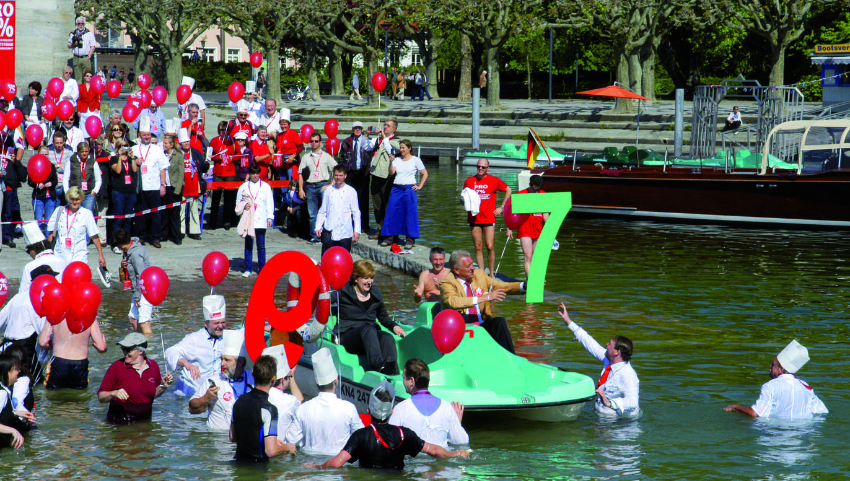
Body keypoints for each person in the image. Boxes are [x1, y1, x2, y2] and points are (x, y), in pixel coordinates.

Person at [305, 381, 468, 470]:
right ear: (391, 412)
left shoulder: (361, 436)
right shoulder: (404, 434)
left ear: (368, 411)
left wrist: (317, 466)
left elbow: (336, 463)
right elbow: (434, 450)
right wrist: (456, 454)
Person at [558, 303, 640, 417]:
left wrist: (609, 402)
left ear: (617, 352)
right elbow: (590, 343)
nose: (606, 344)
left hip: (619, 425)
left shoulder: (628, 374)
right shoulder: (609, 360)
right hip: (601, 418)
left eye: (610, 344)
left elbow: (633, 402)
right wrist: (568, 321)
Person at [440, 249, 525, 354]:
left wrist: (524, 286)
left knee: (499, 322)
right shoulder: (447, 282)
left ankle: (510, 358)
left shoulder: (479, 274)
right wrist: (485, 297)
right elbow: (453, 301)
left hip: (482, 325)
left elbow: (500, 286)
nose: (472, 268)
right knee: (463, 317)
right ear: (456, 270)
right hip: (461, 329)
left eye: (472, 264)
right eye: (468, 266)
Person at [285, 348, 364, 454]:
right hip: (339, 465)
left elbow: (291, 439)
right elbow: (362, 439)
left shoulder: (303, 409)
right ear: (336, 381)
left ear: (316, 384)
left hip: (309, 465)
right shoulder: (349, 408)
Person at [724, 340, 828, 418]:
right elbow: (822, 412)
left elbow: (754, 413)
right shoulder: (806, 387)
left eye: (773, 364)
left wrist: (735, 407)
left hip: (776, 435)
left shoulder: (770, 386)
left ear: (781, 368)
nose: (770, 366)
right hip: (802, 435)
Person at [338, 260, 405, 374]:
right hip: (349, 335)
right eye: (365, 278)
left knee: (387, 337)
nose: (369, 281)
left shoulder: (376, 292)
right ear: (356, 278)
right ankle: (378, 365)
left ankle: (392, 371)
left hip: (370, 335)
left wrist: (394, 326)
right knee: (368, 329)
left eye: (371, 278)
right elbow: (324, 300)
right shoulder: (344, 291)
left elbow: (383, 316)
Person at [389, 359, 469, 448]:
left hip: (414, 461)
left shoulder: (400, 409)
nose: (403, 382)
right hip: (442, 460)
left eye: (404, 378)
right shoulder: (447, 408)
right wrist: (457, 422)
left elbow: (390, 442)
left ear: (412, 381)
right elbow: (461, 442)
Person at [230, 354, 296, 461]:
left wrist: (269, 440)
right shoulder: (270, 410)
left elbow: (233, 437)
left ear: (253, 374)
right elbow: (271, 451)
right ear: (273, 379)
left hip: (237, 464)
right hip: (258, 468)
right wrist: (287, 447)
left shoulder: (238, 401)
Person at [97, 333, 173, 423]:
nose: (125, 352)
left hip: (144, 421)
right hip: (120, 422)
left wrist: (163, 386)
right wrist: (113, 393)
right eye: (123, 349)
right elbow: (101, 397)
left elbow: (152, 394)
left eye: (128, 350)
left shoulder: (153, 366)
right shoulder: (117, 367)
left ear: (141, 351)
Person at [189, 329, 254, 430]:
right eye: (222, 359)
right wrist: (206, 398)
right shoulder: (213, 381)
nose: (222, 364)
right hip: (218, 439)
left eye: (227, 360)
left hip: (245, 439)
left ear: (240, 362)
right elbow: (192, 409)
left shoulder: (253, 378)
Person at [166, 295, 226, 397]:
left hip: (213, 393)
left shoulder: (227, 338)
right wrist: (187, 364)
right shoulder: (194, 339)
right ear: (206, 324)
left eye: (223, 322)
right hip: (189, 393)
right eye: (216, 323)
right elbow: (170, 352)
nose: (220, 326)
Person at [464, 158, 511, 277]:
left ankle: (491, 273)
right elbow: (463, 196)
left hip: (489, 218)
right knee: (478, 246)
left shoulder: (493, 180)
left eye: (483, 167)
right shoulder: (469, 181)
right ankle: (481, 272)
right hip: (474, 218)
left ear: (487, 169)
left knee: (490, 246)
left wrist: (502, 207)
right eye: (478, 166)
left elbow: (508, 190)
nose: (480, 169)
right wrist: (463, 201)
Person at [39, 309, 107, 390]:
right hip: (80, 363)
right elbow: (101, 347)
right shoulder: (89, 317)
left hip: (59, 362)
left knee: (55, 396)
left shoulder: (55, 314)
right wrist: (104, 342)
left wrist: (50, 346)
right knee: (79, 399)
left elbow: (42, 342)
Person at [380, 139, 427, 247]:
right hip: (396, 189)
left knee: (410, 214)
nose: (401, 150)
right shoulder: (397, 160)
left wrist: (420, 186)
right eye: (400, 148)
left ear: (409, 148)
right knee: (392, 213)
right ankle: (389, 238)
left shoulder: (416, 160)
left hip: (409, 189)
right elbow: (392, 172)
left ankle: (410, 240)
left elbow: (425, 173)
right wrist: (391, 162)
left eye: (403, 148)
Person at [131, 116, 169, 248]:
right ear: (140, 135)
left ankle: (155, 237)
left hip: (154, 186)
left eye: (148, 135)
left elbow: (163, 168)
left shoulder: (157, 149)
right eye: (144, 135)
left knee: (155, 213)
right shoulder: (135, 149)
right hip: (140, 187)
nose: (147, 137)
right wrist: (134, 161)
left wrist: (162, 185)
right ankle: (141, 236)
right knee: (140, 214)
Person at [46, 186, 106, 268]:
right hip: (60, 255)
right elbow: (51, 234)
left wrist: (101, 255)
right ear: (68, 198)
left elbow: (94, 236)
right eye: (72, 199)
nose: (75, 202)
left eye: (77, 199)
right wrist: (48, 254)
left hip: (79, 256)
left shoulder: (86, 214)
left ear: (81, 200)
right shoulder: (59, 211)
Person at [110, 228, 154, 335]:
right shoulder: (128, 251)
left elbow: (141, 276)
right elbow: (125, 278)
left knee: (144, 322)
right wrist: (123, 266)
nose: (120, 249)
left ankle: (149, 348)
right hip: (138, 291)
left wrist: (138, 297)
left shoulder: (135, 254)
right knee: (133, 319)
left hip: (144, 290)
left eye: (120, 247)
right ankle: (139, 342)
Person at [236, 164, 274, 277]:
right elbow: (237, 202)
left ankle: (262, 268)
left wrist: (270, 217)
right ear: (250, 174)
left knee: (261, 245)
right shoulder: (243, 186)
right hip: (249, 219)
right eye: (253, 173)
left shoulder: (266, 187)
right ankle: (248, 269)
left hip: (261, 218)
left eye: (257, 173)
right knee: (248, 245)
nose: (255, 176)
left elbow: (270, 202)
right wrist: (244, 206)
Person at [299, 132, 337, 244]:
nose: (314, 143)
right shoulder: (306, 157)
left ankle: (328, 234)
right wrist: (301, 189)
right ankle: (315, 236)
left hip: (323, 185)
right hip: (310, 186)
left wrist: (331, 185)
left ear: (320, 142)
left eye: (316, 141)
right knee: (312, 214)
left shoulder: (326, 156)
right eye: (312, 141)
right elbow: (300, 173)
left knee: (327, 211)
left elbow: (337, 170)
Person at [507, 174, 548, 278]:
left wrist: (549, 229)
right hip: (525, 228)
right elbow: (511, 214)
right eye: (535, 189)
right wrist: (509, 229)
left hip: (538, 228)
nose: (536, 192)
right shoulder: (521, 195)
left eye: (539, 190)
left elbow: (545, 214)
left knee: (536, 257)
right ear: (530, 185)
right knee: (528, 257)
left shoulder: (543, 194)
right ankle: (531, 281)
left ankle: (536, 279)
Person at [315, 164, 360, 255]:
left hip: (345, 232)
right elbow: (322, 210)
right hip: (329, 230)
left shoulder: (351, 191)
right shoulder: (328, 190)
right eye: (336, 175)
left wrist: (357, 230)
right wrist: (318, 227)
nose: (338, 178)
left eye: (340, 175)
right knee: (326, 258)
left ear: (345, 176)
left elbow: (356, 212)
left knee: (344, 260)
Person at [367, 119, 400, 242]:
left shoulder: (396, 140)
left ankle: (390, 232)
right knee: (377, 205)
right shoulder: (379, 139)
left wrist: (384, 137)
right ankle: (380, 229)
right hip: (375, 175)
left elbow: (391, 148)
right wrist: (368, 134)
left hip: (387, 177)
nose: (385, 127)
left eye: (388, 126)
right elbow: (367, 146)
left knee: (387, 205)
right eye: (384, 125)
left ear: (394, 129)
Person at [262, 345, 303, 437]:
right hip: (279, 448)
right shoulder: (290, 401)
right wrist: (292, 377)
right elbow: (302, 407)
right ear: (283, 379)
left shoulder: (252, 394)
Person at [339, 121, 371, 234]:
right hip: (350, 172)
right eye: (355, 128)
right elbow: (342, 156)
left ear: (362, 130)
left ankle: (364, 225)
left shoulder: (367, 140)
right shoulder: (347, 142)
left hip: (362, 172)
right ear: (352, 129)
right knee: (349, 199)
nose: (357, 130)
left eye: (359, 128)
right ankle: (349, 223)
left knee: (363, 199)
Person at [0, 354, 35, 449]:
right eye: (16, 369)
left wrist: (18, 413)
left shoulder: (4, 389)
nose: (19, 371)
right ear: (7, 371)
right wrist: (13, 431)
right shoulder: (2, 393)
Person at [176, 128, 205, 241]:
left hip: (194, 183)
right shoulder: (178, 154)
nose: (186, 144)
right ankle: (182, 230)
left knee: (194, 209)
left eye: (188, 141)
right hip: (183, 184)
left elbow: (201, 166)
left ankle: (194, 231)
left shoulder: (195, 152)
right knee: (182, 209)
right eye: (184, 142)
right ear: (180, 143)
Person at [108, 142, 139, 243]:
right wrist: (120, 156)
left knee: (128, 218)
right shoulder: (114, 158)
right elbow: (118, 170)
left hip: (130, 191)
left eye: (126, 145)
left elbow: (134, 170)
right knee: (118, 218)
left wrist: (132, 156)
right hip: (119, 191)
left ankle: (125, 240)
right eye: (122, 146)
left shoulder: (130, 159)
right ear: (118, 148)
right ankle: (116, 241)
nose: (124, 148)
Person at [62, 141, 102, 212]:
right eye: (82, 151)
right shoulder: (71, 162)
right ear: (78, 152)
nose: (84, 153)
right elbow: (65, 179)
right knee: (74, 214)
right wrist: (67, 191)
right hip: (74, 195)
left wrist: (95, 191)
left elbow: (98, 179)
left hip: (88, 195)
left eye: (86, 151)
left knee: (86, 216)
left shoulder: (93, 162)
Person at [28, 155, 58, 236]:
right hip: (39, 197)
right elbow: (30, 181)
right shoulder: (34, 165)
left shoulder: (51, 166)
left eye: (46, 154)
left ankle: (48, 240)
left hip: (50, 197)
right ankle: (39, 240)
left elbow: (55, 180)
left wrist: (51, 183)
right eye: (43, 154)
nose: (45, 156)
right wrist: (37, 185)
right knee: (38, 220)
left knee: (49, 221)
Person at [273, 108, 303, 183]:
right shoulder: (279, 135)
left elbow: (301, 146)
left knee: (291, 185)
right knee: (282, 186)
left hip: (291, 164)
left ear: (288, 124)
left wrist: (294, 155)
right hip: (281, 164)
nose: (283, 126)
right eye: (281, 124)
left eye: (285, 124)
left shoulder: (293, 134)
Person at [47, 130, 74, 206]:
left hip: (65, 186)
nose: (59, 145)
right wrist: (61, 165)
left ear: (64, 142)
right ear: (53, 143)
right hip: (54, 186)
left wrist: (56, 166)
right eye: (57, 143)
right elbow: (49, 169)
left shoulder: (69, 153)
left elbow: (69, 168)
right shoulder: (49, 153)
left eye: (61, 143)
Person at [77, 70, 102, 139]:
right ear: (85, 77)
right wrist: (78, 110)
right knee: (84, 131)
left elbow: (98, 99)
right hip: (83, 109)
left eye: (91, 76)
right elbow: (78, 100)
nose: (89, 78)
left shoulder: (95, 87)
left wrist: (97, 108)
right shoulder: (80, 87)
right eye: (87, 76)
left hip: (92, 109)